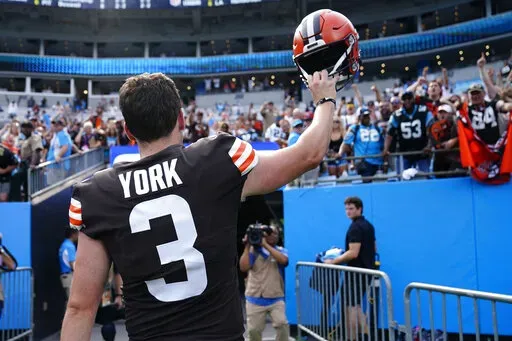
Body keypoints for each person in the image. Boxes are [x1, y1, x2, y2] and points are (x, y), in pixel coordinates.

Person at [62, 9, 359, 340]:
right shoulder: (215, 161)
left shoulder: (98, 194)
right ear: (182, 119)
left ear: (128, 131)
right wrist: (325, 98)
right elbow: (309, 154)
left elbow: (80, 307)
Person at [324, 196, 376, 341]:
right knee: (357, 305)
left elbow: (353, 253)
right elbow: (374, 248)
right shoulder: (368, 225)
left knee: (350, 308)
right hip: (366, 272)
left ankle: (351, 338)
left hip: (356, 273)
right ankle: (366, 336)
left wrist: (333, 262)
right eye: (346, 209)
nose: (348, 212)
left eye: (351, 208)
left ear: (360, 209)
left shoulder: (355, 227)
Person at [239, 225, 289, 341]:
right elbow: (243, 267)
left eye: (274, 233)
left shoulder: (281, 251)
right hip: (254, 298)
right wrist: (247, 246)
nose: (271, 235)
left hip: (276, 298)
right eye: (268, 233)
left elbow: (284, 261)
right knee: (253, 331)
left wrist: (265, 245)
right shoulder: (253, 251)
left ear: (278, 237)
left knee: (282, 325)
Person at [59, 228, 78, 300]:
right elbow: (73, 263)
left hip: (65, 276)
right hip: (69, 276)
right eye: (78, 233)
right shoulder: (70, 246)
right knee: (72, 301)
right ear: (73, 234)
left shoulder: (64, 244)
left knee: (69, 300)